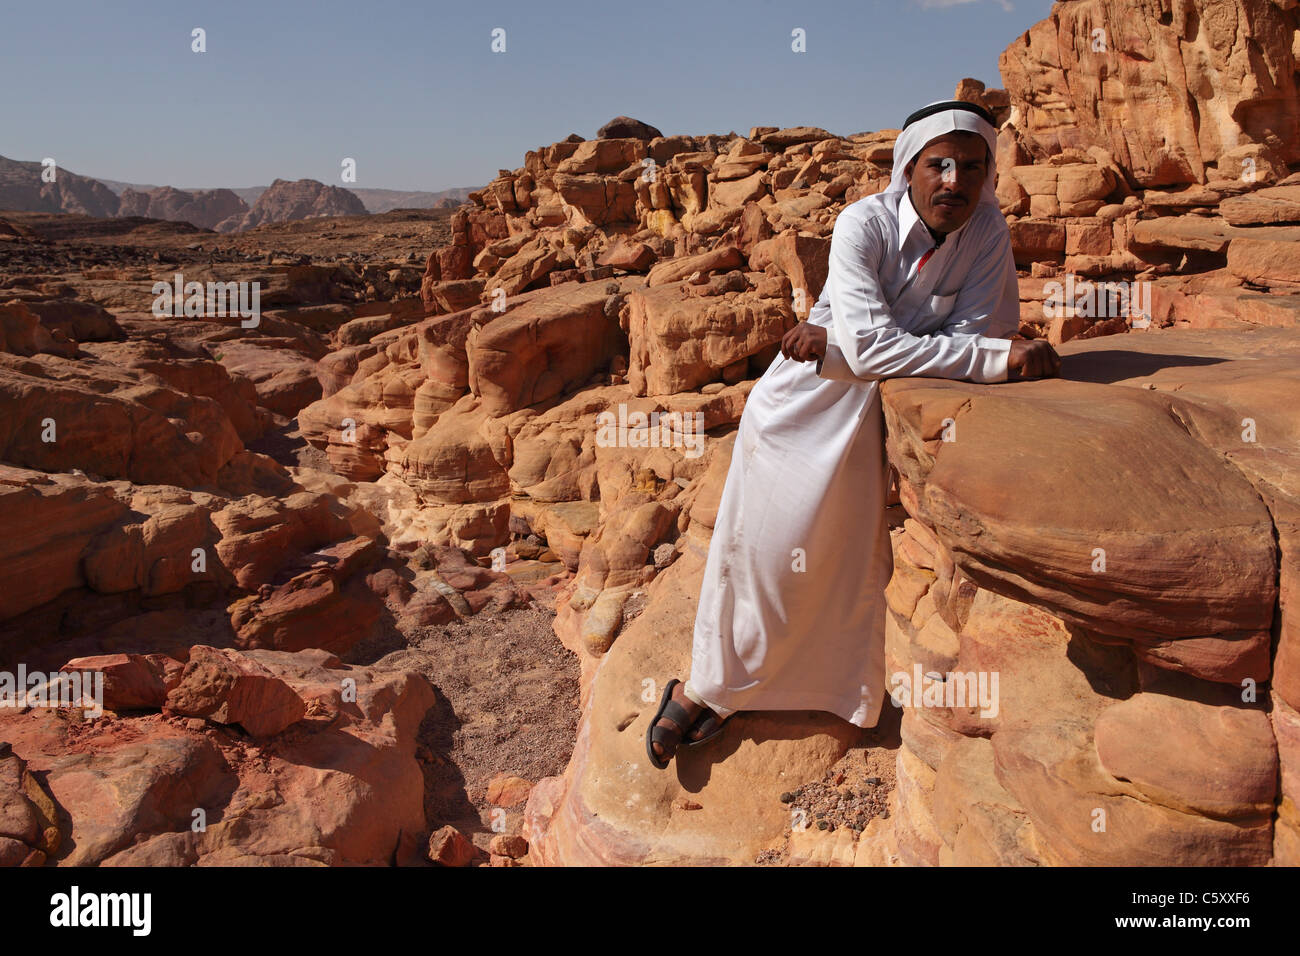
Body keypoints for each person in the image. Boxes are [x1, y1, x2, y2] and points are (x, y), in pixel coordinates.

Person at [647, 99, 1062, 768]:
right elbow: (933, 349)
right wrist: (884, 354)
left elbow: (955, 333)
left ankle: (839, 693)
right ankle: (707, 687)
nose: (956, 180)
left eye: (974, 167)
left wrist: (845, 347)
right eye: (940, 165)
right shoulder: (861, 223)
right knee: (763, 555)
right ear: (909, 168)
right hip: (802, 408)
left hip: (869, 410)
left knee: (846, 563)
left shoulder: (987, 230)